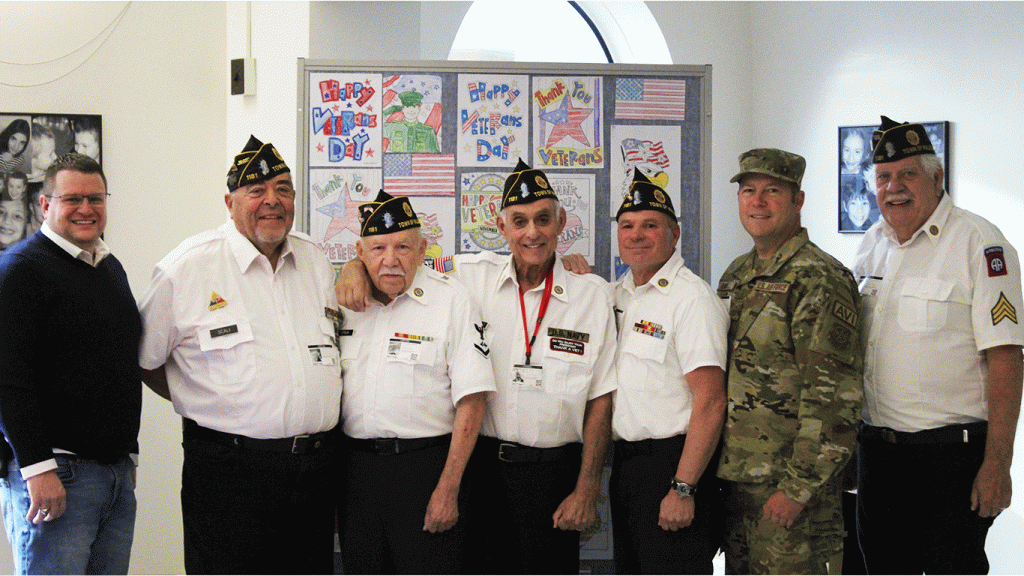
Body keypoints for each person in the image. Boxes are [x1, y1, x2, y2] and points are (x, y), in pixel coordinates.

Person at [337, 158, 617, 574]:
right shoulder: (470, 274)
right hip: (483, 470)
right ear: (502, 228)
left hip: (554, 473)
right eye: (519, 221)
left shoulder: (592, 295)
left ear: (561, 222)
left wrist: (588, 487)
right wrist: (353, 265)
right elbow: (401, 262)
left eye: (543, 219)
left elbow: (601, 399)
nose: (532, 232)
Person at [137, 136, 342, 574]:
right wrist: (203, 398)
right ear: (230, 203)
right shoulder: (188, 267)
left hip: (315, 471)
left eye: (283, 189)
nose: (273, 201)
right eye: (257, 191)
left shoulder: (315, 261)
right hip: (228, 473)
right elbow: (144, 359)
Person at [854, 116, 1024, 574]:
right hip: (880, 456)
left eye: (908, 174)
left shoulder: (980, 244)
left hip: (951, 459)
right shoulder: (873, 245)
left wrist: (998, 464)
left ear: (937, 178)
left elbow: (1006, 358)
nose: (895, 188)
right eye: (884, 177)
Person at [717, 148, 864, 574]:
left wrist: (798, 488)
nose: (757, 202)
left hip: (792, 494)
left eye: (772, 191)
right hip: (740, 485)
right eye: (748, 191)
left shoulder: (819, 278)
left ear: (797, 201)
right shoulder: (737, 274)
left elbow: (835, 398)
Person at [338, 190, 494, 574]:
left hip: (426, 471)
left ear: (422, 249)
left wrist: (448, 487)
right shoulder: (341, 302)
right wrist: (348, 269)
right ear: (360, 252)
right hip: (356, 474)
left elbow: (472, 401)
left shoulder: (451, 300)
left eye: (402, 247)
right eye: (377, 248)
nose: (390, 260)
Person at [0, 153, 142, 574]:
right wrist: (37, 469)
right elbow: (8, 379)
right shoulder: (19, 270)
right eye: (72, 199)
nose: (86, 209)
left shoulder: (108, 266)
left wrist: (128, 458)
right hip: (56, 476)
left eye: (95, 198)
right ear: (45, 206)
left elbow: (118, 361)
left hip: (112, 475)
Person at [610, 170, 729, 574]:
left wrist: (683, 487)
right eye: (627, 226)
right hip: (627, 467)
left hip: (674, 467)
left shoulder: (691, 299)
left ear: (674, 235)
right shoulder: (618, 294)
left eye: (650, 225)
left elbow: (711, 401)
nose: (636, 235)